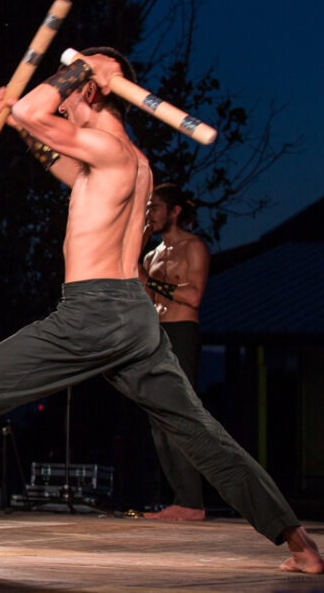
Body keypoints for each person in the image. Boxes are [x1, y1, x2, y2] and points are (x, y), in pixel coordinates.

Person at [0, 48, 324, 574]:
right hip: (132, 320)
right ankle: (299, 543)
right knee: (199, 431)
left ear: (91, 91)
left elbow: (34, 111)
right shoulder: (127, 160)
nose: (65, 102)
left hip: (93, 314)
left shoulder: (109, 149)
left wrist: (77, 71)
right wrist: (21, 119)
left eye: (72, 92)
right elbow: (57, 156)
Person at [139, 183, 210, 521]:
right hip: (155, 334)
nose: (150, 213)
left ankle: (193, 501)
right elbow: (147, 298)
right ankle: (181, 500)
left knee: (180, 415)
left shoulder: (194, 247)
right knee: (158, 419)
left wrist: (151, 283)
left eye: (155, 207)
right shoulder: (151, 256)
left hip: (182, 332)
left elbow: (193, 295)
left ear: (174, 211)